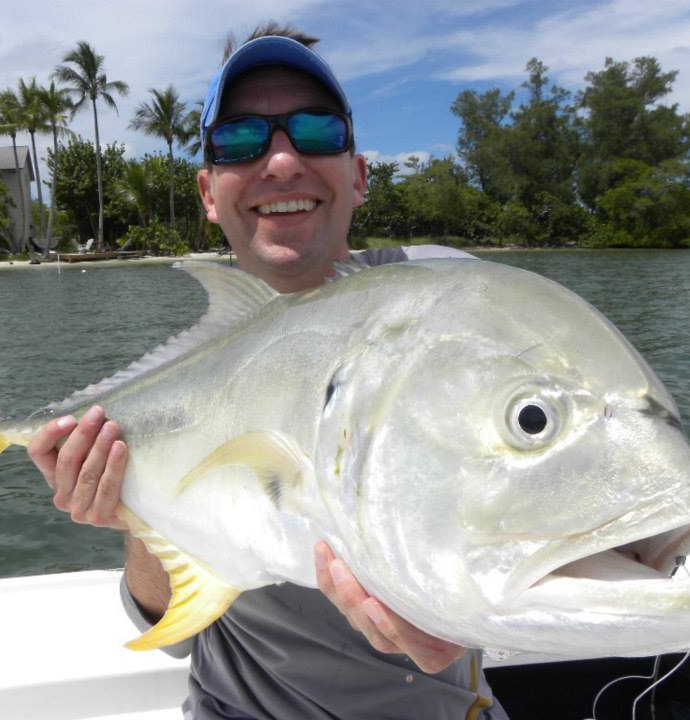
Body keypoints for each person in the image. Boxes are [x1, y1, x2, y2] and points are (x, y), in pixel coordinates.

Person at [28, 26, 505, 720]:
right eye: (242, 142)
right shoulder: (182, 376)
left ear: (359, 173)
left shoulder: (453, 302)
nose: (281, 162)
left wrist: (474, 616)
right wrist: (134, 512)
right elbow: (166, 628)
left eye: (314, 131)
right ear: (208, 192)